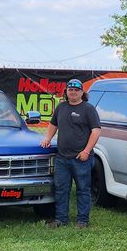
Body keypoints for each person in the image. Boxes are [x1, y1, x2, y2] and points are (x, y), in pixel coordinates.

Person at [40, 78, 101, 228]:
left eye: (76, 90)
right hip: (62, 158)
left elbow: (96, 131)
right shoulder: (61, 107)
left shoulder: (88, 109)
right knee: (61, 189)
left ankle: (82, 221)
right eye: (70, 90)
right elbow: (53, 124)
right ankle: (61, 219)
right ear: (66, 92)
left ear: (82, 92)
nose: (73, 92)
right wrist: (47, 138)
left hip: (81, 158)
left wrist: (86, 151)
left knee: (82, 189)